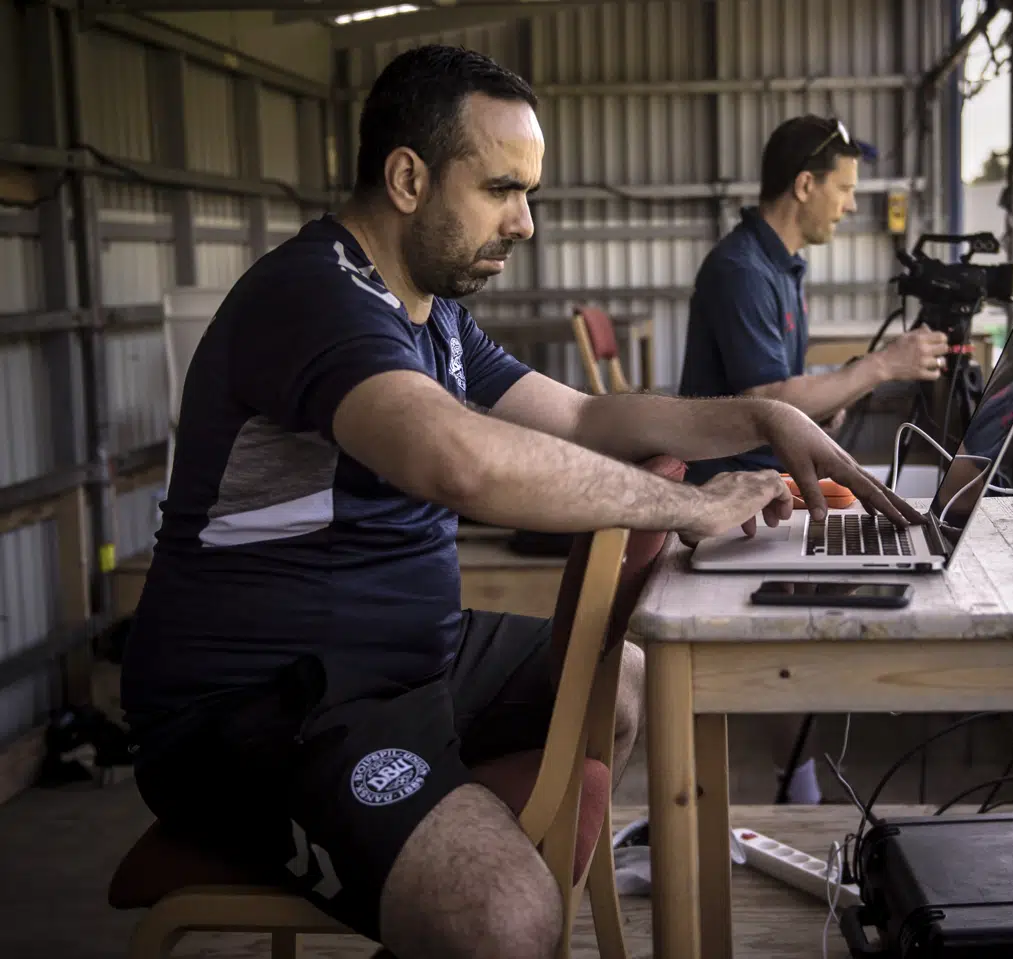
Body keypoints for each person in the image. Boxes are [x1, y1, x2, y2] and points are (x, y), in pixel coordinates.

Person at [120, 46, 919, 959]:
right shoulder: (313, 295)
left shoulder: (431, 312)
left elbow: (583, 413)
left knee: (626, 685)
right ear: (409, 177)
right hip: (261, 703)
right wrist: (685, 506)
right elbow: (455, 460)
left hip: (407, 658)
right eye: (503, 188)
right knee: (505, 916)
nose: (526, 222)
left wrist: (762, 414)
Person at [675, 114, 951, 804]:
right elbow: (767, 396)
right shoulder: (741, 269)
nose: (853, 203)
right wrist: (882, 364)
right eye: (845, 187)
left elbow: (787, 402)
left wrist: (829, 405)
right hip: (728, 497)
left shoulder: (782, 267)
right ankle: (801, 792)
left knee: (888, 527)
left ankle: (800, 784)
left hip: (768, 481)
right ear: (804, 185)